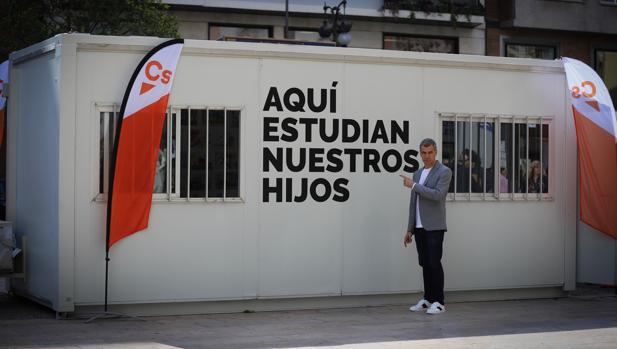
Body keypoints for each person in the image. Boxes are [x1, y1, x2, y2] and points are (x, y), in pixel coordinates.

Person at [400, 138, 452, 315]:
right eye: (424, 153)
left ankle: (439, 301)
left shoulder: (444, 171)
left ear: (435, 152)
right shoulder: (418, 173)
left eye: (430, 152)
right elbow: (413, 202)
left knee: (434, 263)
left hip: (434, 226)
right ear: (420, 153)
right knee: (424, 264)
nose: (427, 156)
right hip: (420, 226)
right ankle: (428, 298)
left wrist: (414, 185)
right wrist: (410, 228)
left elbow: (438, 195)